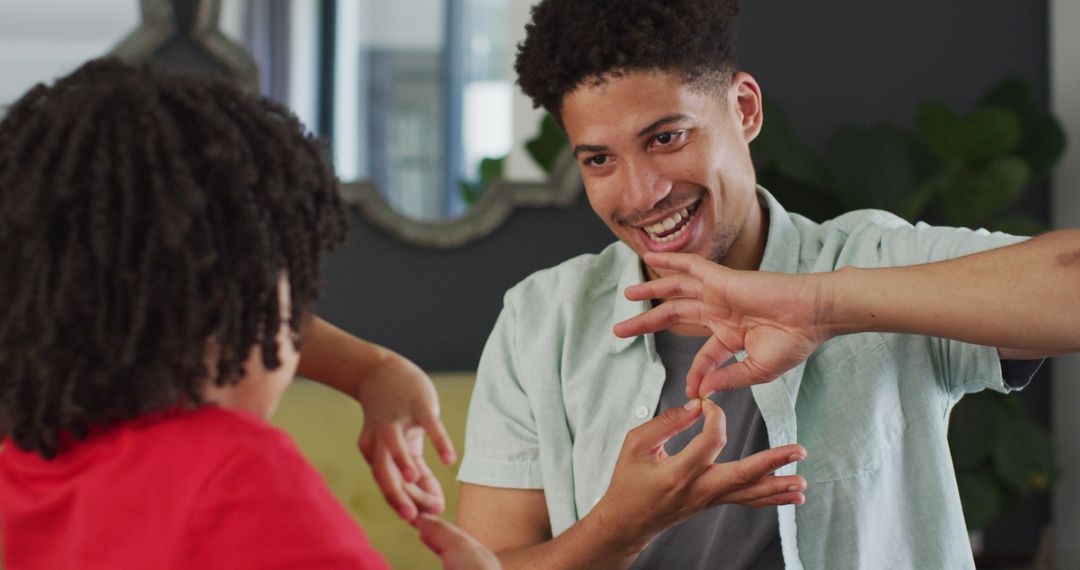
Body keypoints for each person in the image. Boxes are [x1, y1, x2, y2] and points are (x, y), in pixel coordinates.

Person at [455, 0, 1080, 568]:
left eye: (666, 137)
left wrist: (822, 306)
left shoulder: (874, 256)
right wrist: (616, 529)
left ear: (745, 109)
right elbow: (484, 562)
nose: (640, 194)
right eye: (599, 159)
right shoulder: (541, 318)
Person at [0, 58, 497, 570]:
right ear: (237, 304)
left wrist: (374, 370)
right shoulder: (235, 468)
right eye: (291, 284)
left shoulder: (26, 462)